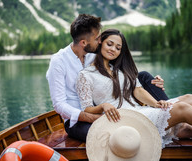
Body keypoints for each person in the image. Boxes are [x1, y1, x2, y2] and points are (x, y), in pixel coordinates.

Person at [46, 14, 168, 142]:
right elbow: (59, 104)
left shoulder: (92, 55)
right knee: (111, 136)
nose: (100, 41)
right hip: (78, 121)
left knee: (143, 76)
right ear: (83, 43)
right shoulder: (58, 61)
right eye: (97, 38)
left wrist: (155, 80)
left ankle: (167, 110)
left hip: (100, 109)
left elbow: (125, 74)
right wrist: (91, 117)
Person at [76, 29, 192, 147]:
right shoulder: (86, 75)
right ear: (100, 43)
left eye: (118, 47)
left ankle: (183, 130)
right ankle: (182, 129)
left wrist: (155, 103)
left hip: (138, 110)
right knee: (182, 108)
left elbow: (137, 90)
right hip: (124, 120)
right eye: (109, 44)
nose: (113, 49)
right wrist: (103, 106)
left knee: (188, 98)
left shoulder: (119, 71)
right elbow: (86, 108)